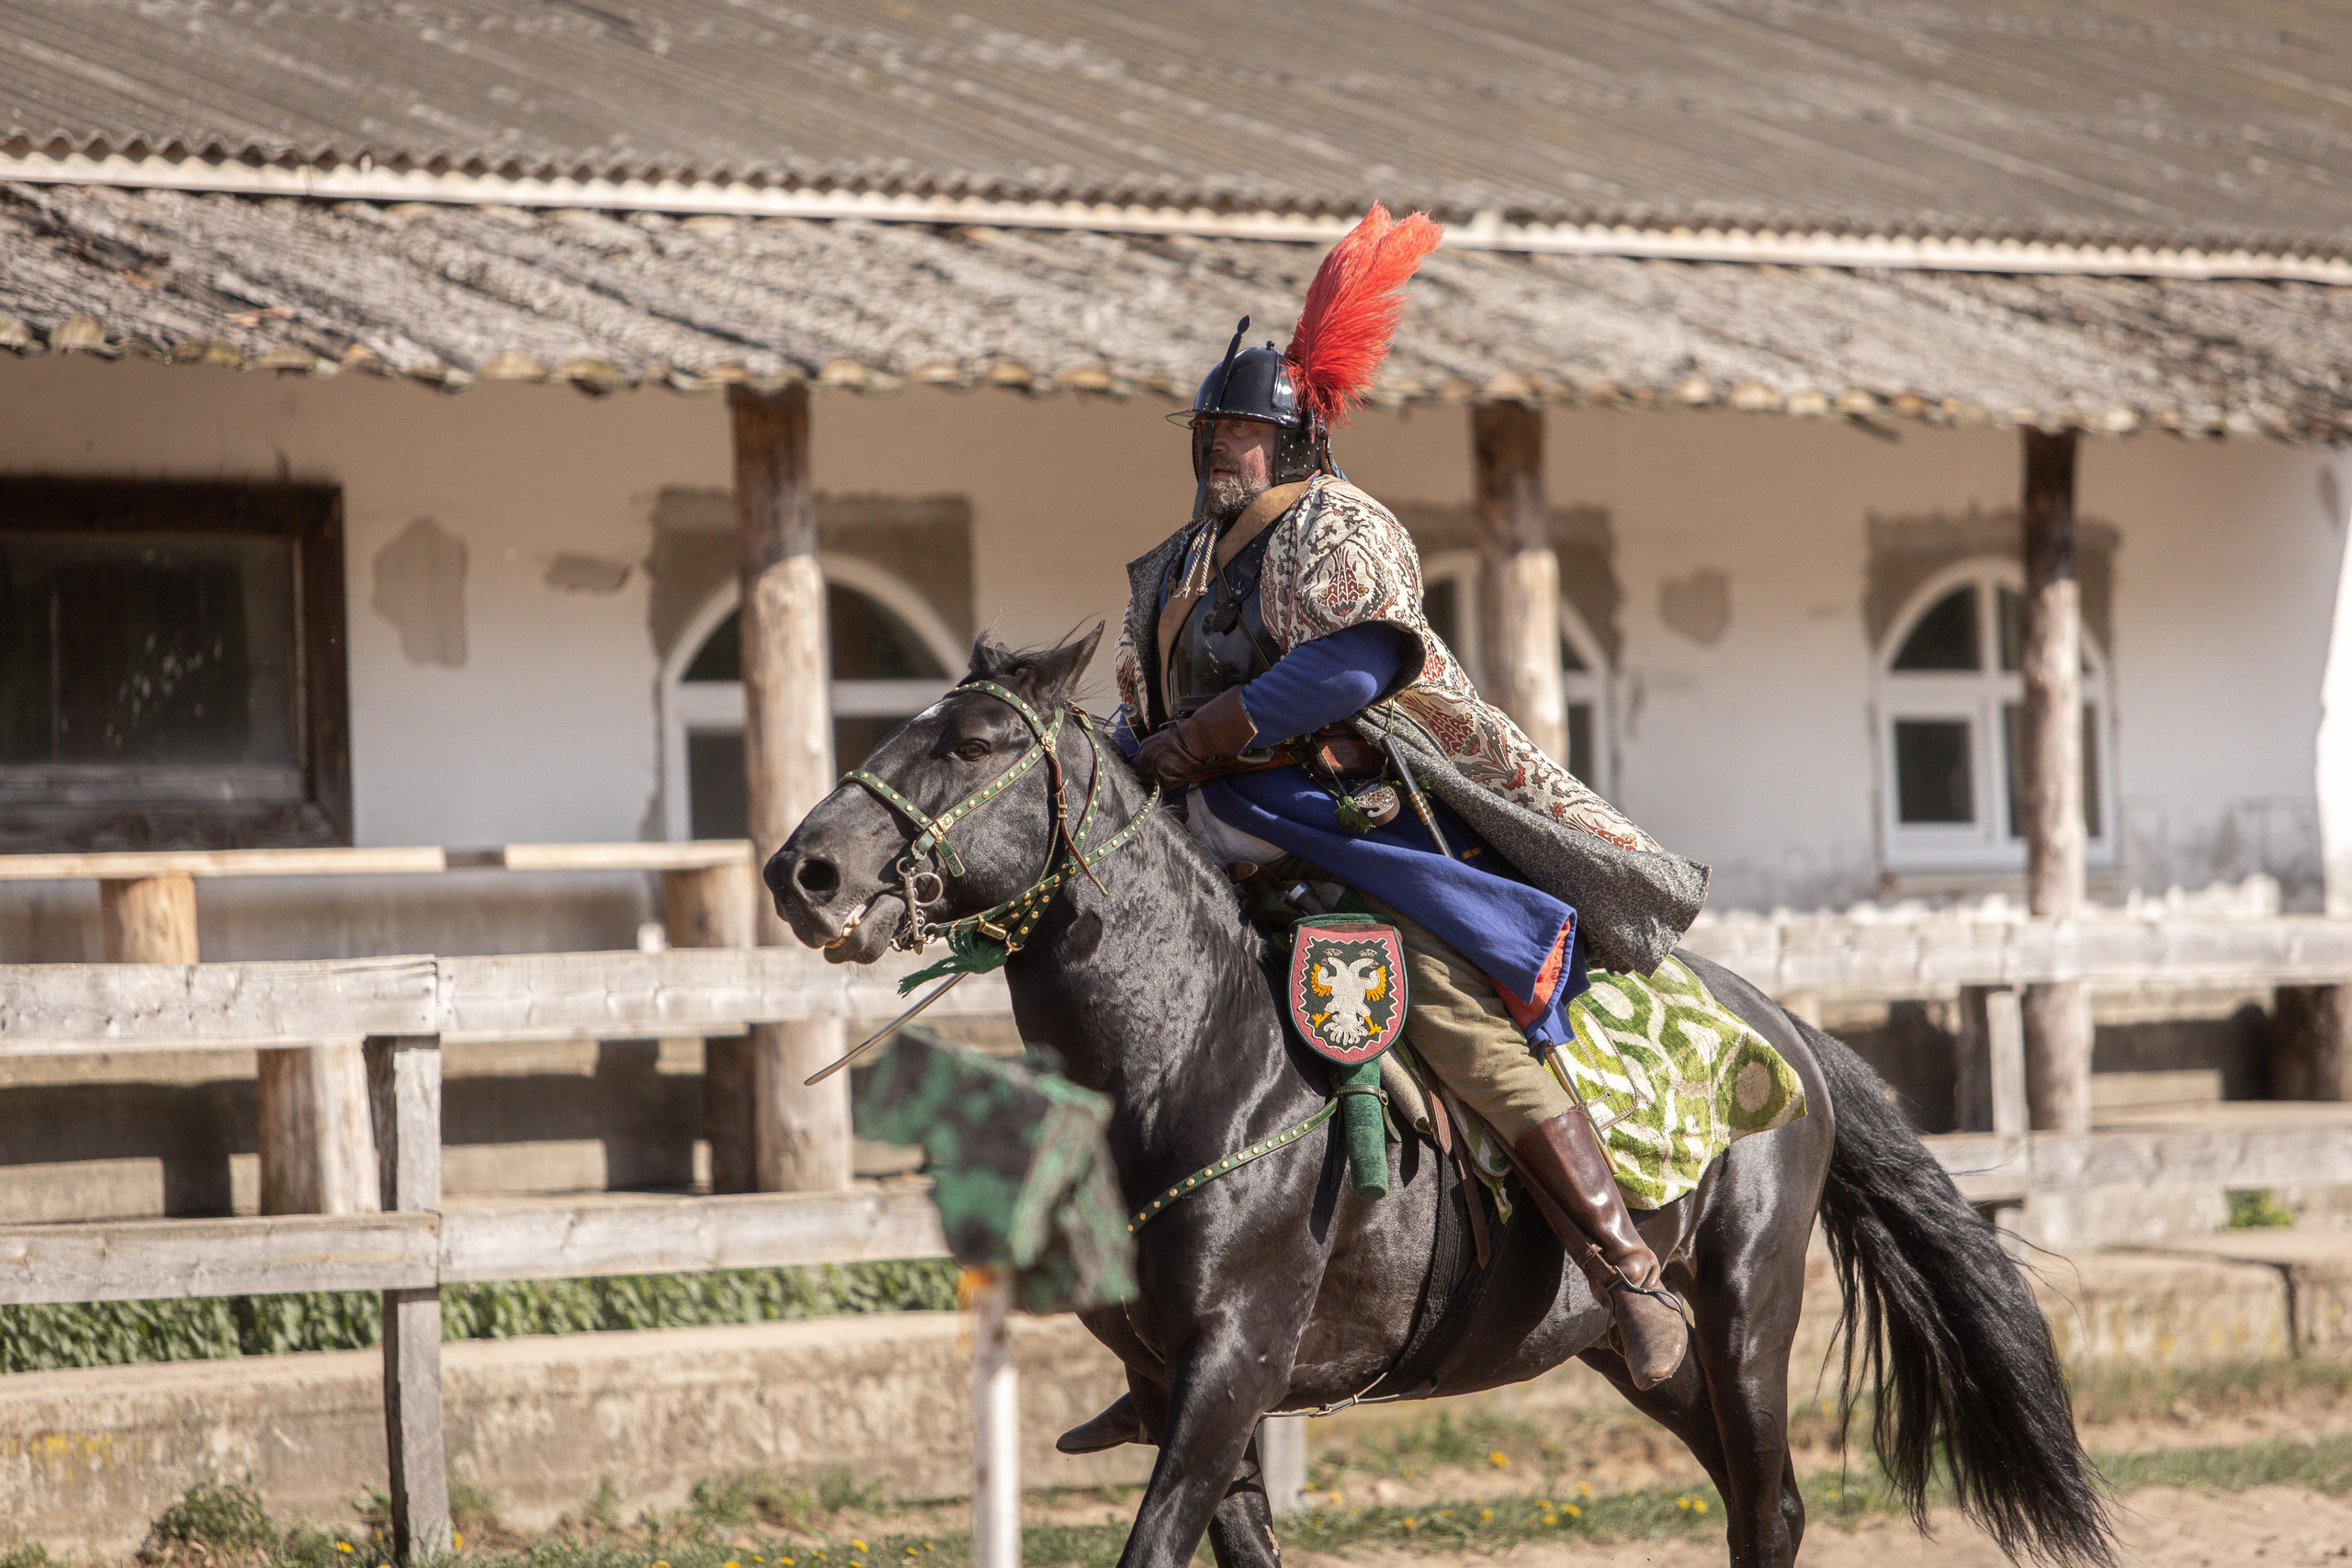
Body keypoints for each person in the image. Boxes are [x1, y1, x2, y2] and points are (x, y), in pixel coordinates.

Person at [1106, 206, 1713, 1393]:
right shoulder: (1178, 566)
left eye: (1241, 431)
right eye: (1212, 431)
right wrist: (1137, 749)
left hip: (1344, 839)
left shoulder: (1338, 530)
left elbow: (1356, 665)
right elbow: (1145, 699)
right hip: (1198, 850)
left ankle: (1630, 1273)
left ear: (1292, 439)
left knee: (1451, 1020)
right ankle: (1165, 1341)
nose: (1219, 449)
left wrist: (1208, 736)